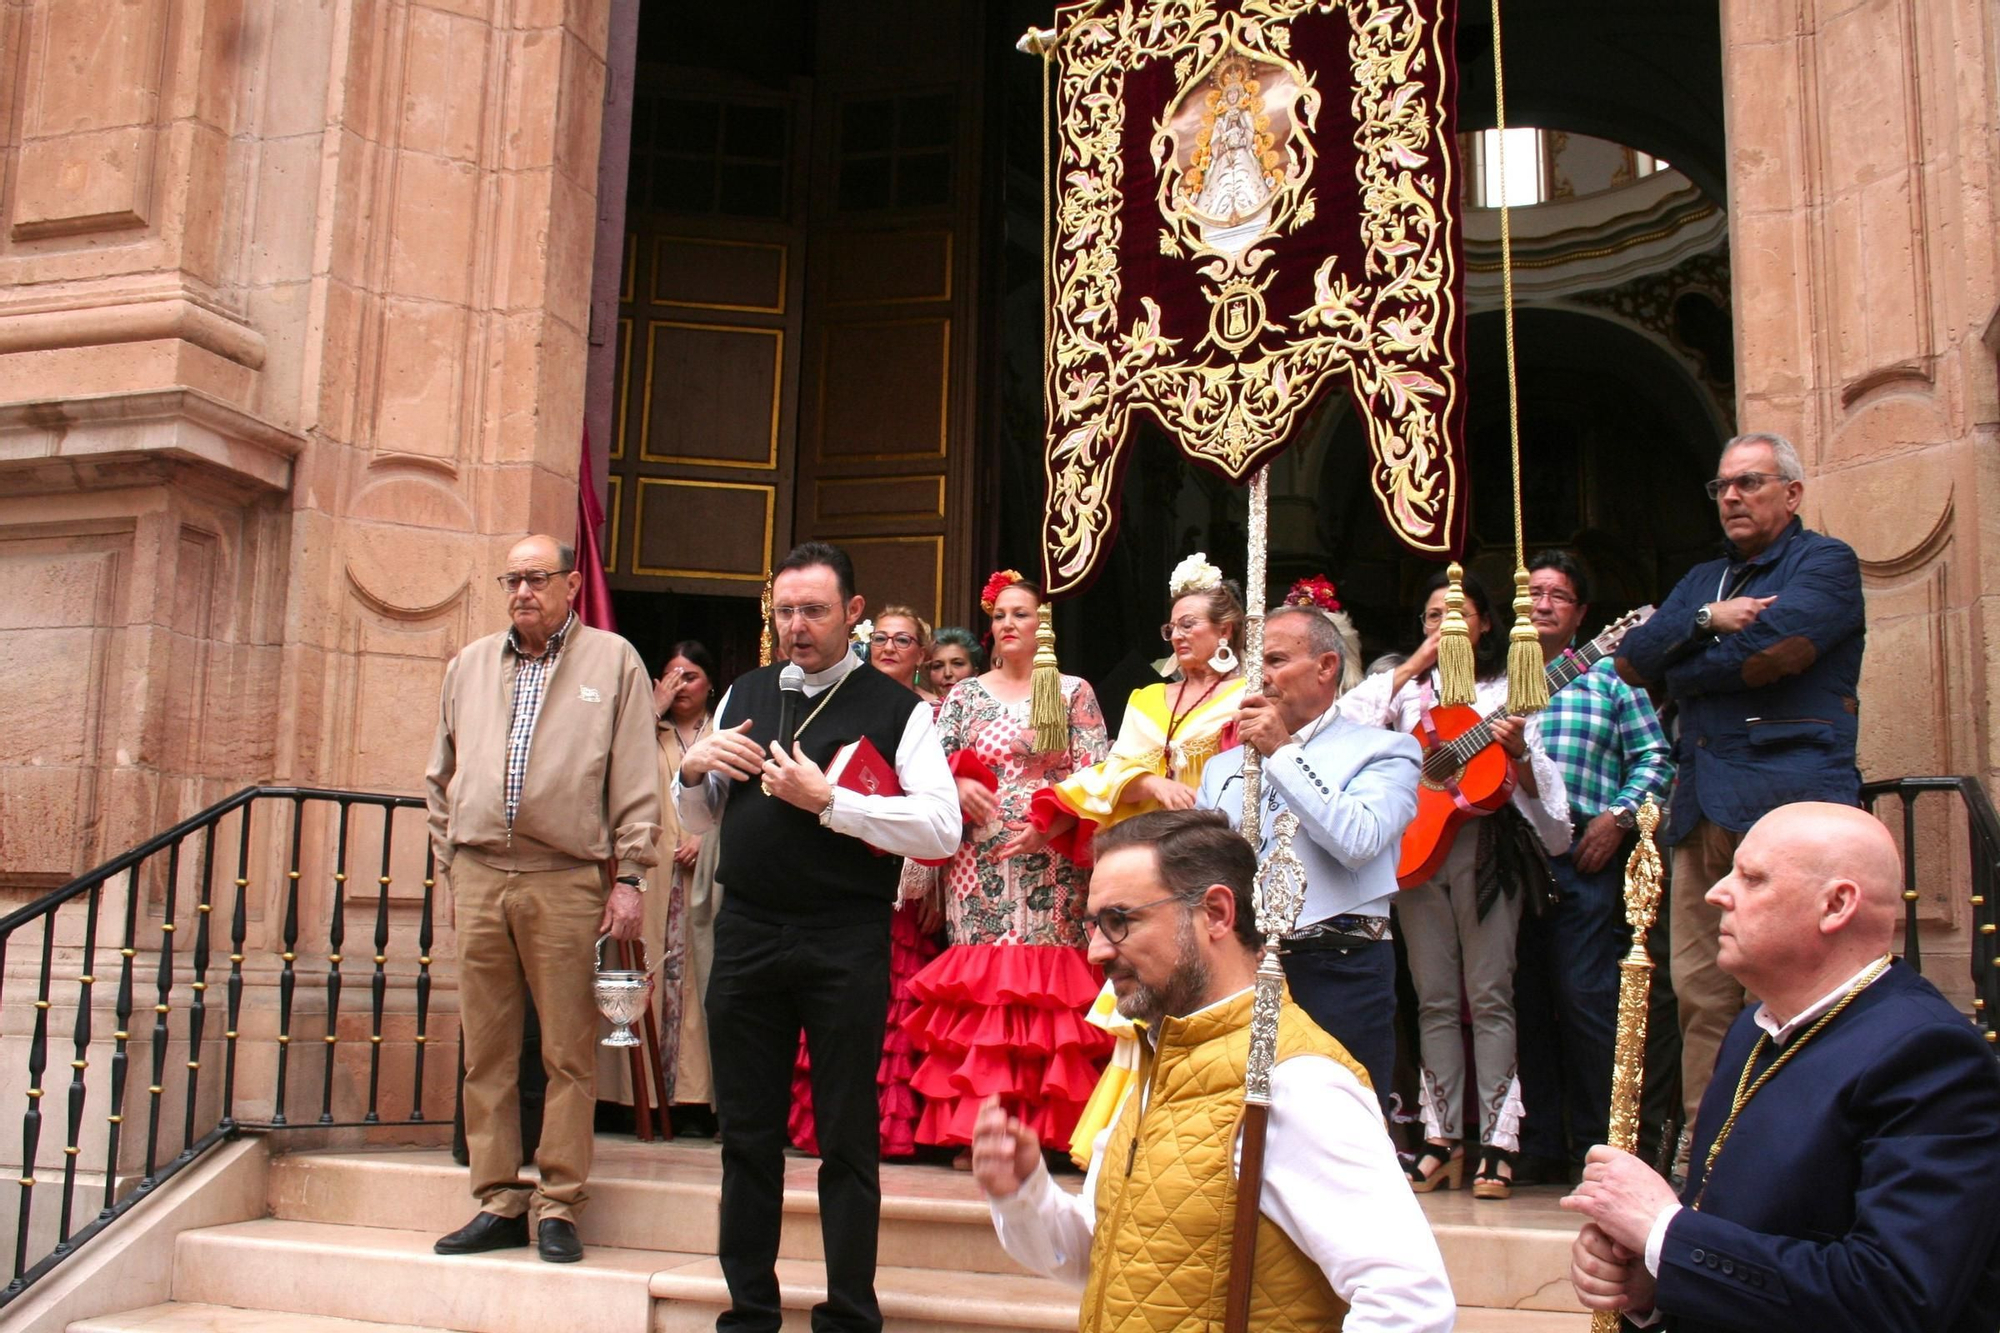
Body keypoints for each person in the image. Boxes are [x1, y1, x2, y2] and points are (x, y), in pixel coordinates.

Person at [974, 808, 1457, 1332]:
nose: (1095, 951)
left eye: (1119, 921)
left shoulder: (1298, 1082)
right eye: (1093, 925)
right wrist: (1024, 1193)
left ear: (1216, 914)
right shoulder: (1163, 1063)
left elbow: (1409, 1302)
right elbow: (1120, 1262)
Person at [1563, 802, 2000, 1333]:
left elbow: (1894, 1297)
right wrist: (1654, 1283)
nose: (1717, 893)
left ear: (1836, 905)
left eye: (1751, 878)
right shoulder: (1751, 1029)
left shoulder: (1929, 1057)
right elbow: (1747, 1231)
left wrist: (1665, 1232)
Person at [675, 541, 960, 1333]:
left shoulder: (900, 708)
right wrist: (693, 770)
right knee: (749, 1136)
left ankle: (849, 1315)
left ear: (854, 614)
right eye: (786, 610)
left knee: (845, 1136)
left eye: (815, 611)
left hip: (844, 936)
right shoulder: (746, 689)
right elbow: (700, 816)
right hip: (749, 931)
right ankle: (750, 1313)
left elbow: (939, 827)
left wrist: (830, 800)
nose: (796, 626)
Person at [1613, 431, 1865, 1157]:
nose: (1731, 497)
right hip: (1701, 808)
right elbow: (1633, 660)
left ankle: (1795, 1149)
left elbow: (1777, 654)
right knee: (1702, 990)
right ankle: (1707, 1148)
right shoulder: (1704, 582)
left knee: (1793, 982)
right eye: (1722, 486)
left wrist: (1682, 666)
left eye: (1750, 483)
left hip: (1790, 804)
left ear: (1791, 493)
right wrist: (1703, 622)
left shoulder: (1827, 563)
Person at [424, 534, 660, 1264]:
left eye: (537, 578)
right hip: (482, 874)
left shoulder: (612, 660)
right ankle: (497, 1198)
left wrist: (630, 878)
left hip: (566, 878)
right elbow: (440, 775)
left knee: (566, 1050)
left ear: (572, 583)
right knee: (487, 1050)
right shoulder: (469, 665)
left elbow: (633, 774)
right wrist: (453, 864)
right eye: (513, 578)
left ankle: (559, 1202)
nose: (523, 591)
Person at [1002, 551, 1248, 1163]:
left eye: (1193, 623)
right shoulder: (1147, 698)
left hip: (1211, 858)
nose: (1181, 634)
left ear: (1227, 630)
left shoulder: (1247, 695)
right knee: (1140, 997)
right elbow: (1113, 772)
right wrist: (1145, 786)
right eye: (1174, 626)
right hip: (1147, 862)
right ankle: (1138, 1138)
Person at [1337, 569, 1571, 1198]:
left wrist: (1517, 755)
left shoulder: (1508, 689)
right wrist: (1415, 663)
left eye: (1460, 615)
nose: (1447, 627)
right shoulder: (1404, 693)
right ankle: (1442, 1139)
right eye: (1434, 616)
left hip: (1487, 849)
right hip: (1416, 852)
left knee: (1490, 993)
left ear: (1488, 624)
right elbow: (1340, 726)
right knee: (1434, 998)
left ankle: (1498, 1140)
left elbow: (1552, 810)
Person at [905, 571, 1111, 1157]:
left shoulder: (1072, 692)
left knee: (1048, 992)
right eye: (999, 616)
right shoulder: (966, 695)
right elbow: (926, 767)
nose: (1008, 625)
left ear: (1042, 624)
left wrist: (1049, 826)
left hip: (1051, 860)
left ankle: (1053, 1132)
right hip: (979, 856)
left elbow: (1097, 777)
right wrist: (959, 784)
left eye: (1021, 614)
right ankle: (981, 1131)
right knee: (986, 986)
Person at [1195, 581, 1420, 1108]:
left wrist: (1283, 752)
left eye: (1275, 660)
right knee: (1240, 1137)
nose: (1261, 676)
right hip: (1241, 972)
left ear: (1325, 667)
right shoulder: (1223, 767)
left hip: (1340, 964)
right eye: (1255, 662)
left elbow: (1359, 839)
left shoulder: (1385, 751)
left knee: (1340, 1125)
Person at [1516, 551, 1674, 1178]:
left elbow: (1657, 759)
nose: (1544, 603)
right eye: (1534, 593)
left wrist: (1619, 818)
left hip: (1585, 847)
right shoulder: (1497, 683)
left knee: (1583, 997)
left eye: (1558, 594)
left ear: (1581, 613)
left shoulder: (1611, 676)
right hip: (1508, 855)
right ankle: (1538, 1148)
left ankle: (1598, 1148)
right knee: (1522, 999)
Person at [646, 641, 723, 1137]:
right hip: (652, 871)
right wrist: (649, 709)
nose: (680, 685)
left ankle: (696, 1100)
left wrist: (704, 833)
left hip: (706, 869)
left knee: (703, 978)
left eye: (690, 675)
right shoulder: (644, 729)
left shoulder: (724, 731)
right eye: (670, 675)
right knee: (646, 974)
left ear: (709, 683)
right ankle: (643, 1097)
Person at [865, 604, 938, 705]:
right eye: (880, 638)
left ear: (920, 655)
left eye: (902, 640)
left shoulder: (936, 711)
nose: (888, 648)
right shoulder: (850, 701)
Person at [925, 627, 982, 696]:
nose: (947, 673)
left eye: (957, 664)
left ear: (974, 672)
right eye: (938, 666)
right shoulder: (921, 706)